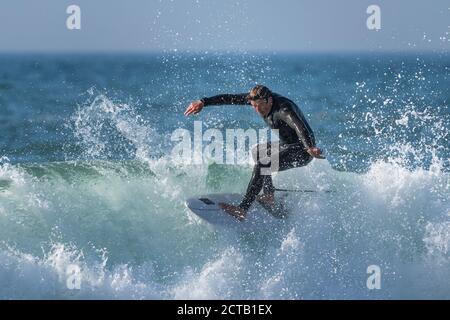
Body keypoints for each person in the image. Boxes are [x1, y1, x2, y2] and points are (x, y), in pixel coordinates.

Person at [184, 85, 325, 221]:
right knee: (259, 151)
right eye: (253, 106)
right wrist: (204, 102)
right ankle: (269, 195)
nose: (257, 110)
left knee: (263, 165)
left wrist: (310, 148)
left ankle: (242, 209)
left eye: (259, 106)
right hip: (288, 145)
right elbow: (229, 98)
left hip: (303, 151)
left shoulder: (283, 109)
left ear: (269, 100)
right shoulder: (258, 100)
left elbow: (299, 126)